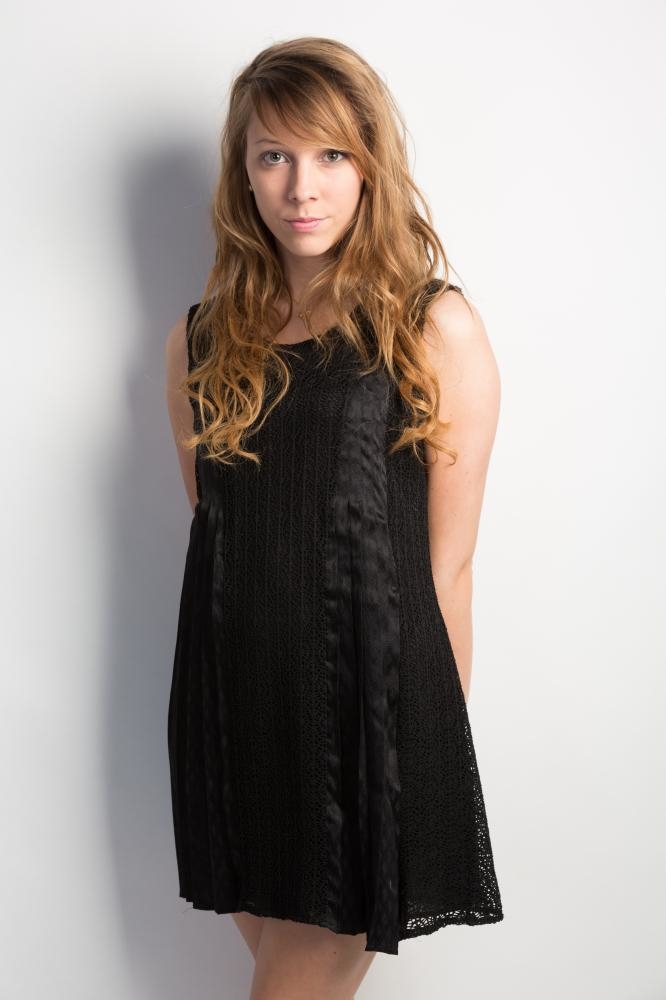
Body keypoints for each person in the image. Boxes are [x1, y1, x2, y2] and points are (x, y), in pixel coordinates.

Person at [164, 35, 503, 1000]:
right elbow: (224, 539)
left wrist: (421, 754)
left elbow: (448, 568)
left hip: (366, 728)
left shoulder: (432, 326)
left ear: (368, 167)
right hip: (234, 719)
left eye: (330, 155)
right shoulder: (199, 340)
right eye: (274, 155)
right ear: (243, 171)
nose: (301, 187)